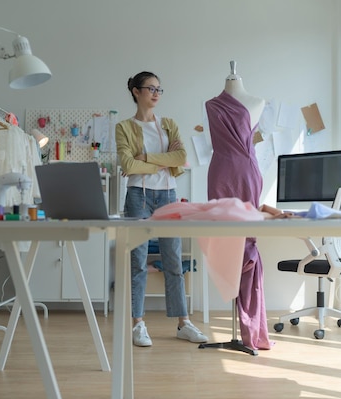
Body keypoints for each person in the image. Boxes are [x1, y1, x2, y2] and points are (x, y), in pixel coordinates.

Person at [115, 71, 208, 347]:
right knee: (138, 262)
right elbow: (128, 165)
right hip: (138, 197)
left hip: (168, 195)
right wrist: (161, 162)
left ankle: (183, 322)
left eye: (159, 89)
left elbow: (181, 158)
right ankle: (138, 324)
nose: (156, 93)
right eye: (150, 88)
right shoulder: (124, 127)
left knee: (173, 260)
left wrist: (146, 157)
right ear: (136, 91)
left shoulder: (168, 125)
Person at [204, 62, 271, 351]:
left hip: (245, 172)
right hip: (221, 173)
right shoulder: (211, 104)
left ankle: (249, 326)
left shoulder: (258, 102)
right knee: (224, 241)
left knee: (247, 242)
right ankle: (239, 322)